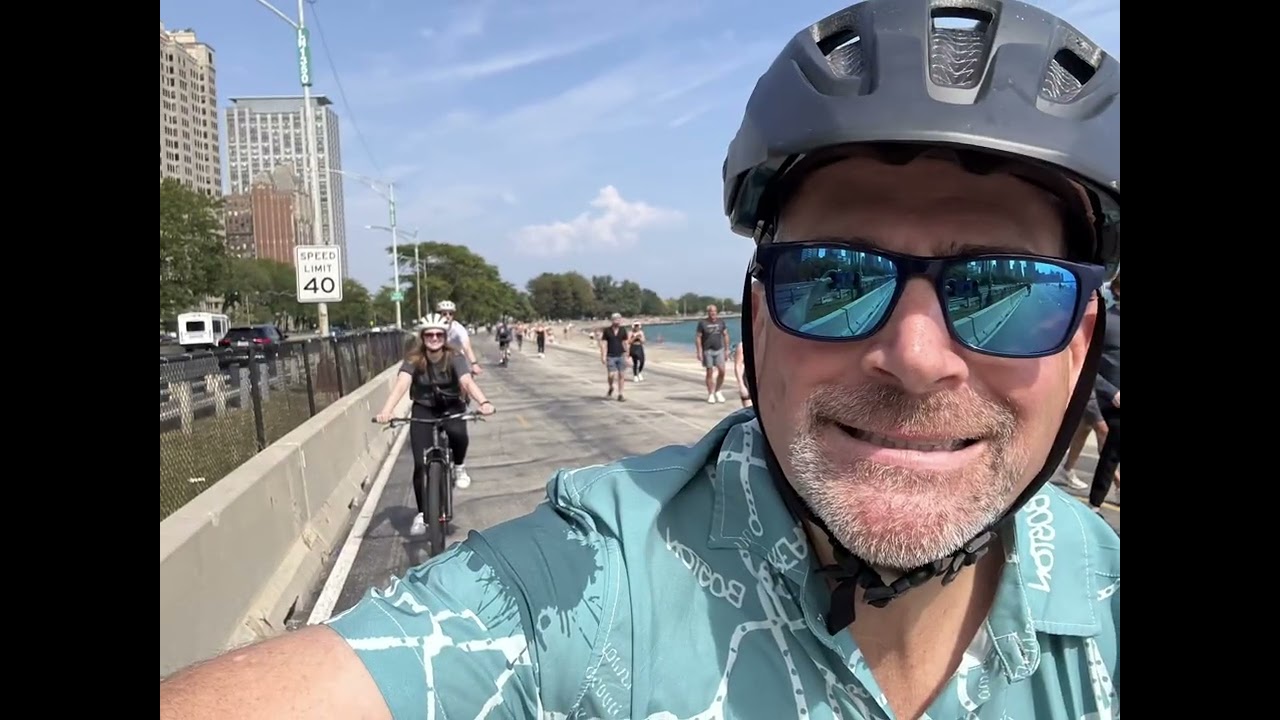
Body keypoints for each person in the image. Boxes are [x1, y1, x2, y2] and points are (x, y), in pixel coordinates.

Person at [157, 2, 1119, 718]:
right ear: (756, 321)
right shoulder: (581, 590)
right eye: (835, 280)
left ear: (1082, 343)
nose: (915, 357)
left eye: (1004, 290)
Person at [372, 314, 496, 536]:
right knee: (420, 465)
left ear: (445, 337)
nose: (434, 338)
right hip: (424, 407)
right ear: (422, 337)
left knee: (458, 432)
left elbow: (466, 381)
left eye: (439, 334)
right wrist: (387, 411)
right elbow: (402, 384)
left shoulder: (454, 356)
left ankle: (459, 466)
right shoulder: (413, 359)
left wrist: (484, 402)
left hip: (451, 406)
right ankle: (422, 513)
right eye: (429, 334)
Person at [1089, 273, 1121, 512]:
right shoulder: (1106, 322)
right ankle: (1095, 504)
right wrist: (1111, 391)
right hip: (1104, 400)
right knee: (1109, 453)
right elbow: (1087, 368)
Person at [434, 300, 482, 376]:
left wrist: (474, 364)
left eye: (450, 314)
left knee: (464, 381)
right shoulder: (433, 328)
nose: (448, 316)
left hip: (457, 358)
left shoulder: (458, 329)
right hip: (439, 360)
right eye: (444, 314)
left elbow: (467, 347)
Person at [695, 304, 731, 403]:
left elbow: (725, 335)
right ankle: (711, 394)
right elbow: (698, 337)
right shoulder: (702, 323)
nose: (713, 313)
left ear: (716, 312)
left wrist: (727, 350)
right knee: (709, 372)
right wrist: (699, 351)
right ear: (708, 313)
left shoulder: (721, 322)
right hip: (707, 350)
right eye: (711, 311)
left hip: (719, 349)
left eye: (714, 311)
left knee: (722, 371)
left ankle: (718, 390)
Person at [598, 312, 629, 401]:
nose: (618, 320)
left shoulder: (623, 330)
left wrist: (627, 354)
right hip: (610, 356)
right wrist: (603, 355)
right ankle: (611, 387)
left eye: (619, 319)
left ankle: (620, 394)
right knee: (611, 375)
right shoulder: (607, 331)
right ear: (612, 320)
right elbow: (604, 343)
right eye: (616, 319)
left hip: (621, 355)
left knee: (621, 375)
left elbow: (625, 342)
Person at [731, 339, 752, 407]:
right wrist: (741, 385)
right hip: (747, 380)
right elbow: (738, 365)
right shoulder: (742, 346)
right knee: (749, 410)